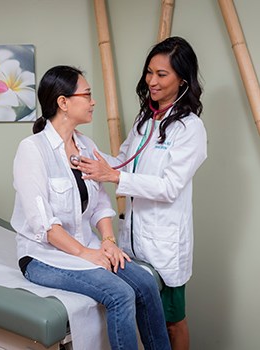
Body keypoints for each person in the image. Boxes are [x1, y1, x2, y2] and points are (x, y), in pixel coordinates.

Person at [10, 65, 171, 350]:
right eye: (87, 94)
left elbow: (99, 204)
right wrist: (88, 254)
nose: (93, 101)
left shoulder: (85, 146)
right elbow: (43, 224)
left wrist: (108, 242)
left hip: (86, 246)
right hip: (44, 256)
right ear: (63, 102)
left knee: (145, 283)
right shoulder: (32, 149)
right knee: (120, 293)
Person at [77, 37, 207, 350]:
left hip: (165, 243)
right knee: (146, 318)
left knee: (171, 321)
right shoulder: (145, 119)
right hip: (132, 240)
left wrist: (115, 176)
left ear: (182, 80)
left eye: (162, 74)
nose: (151, 80)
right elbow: (121, 160)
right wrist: (79, 143)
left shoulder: (190, 128)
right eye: (149, 72)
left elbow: (169, 186)